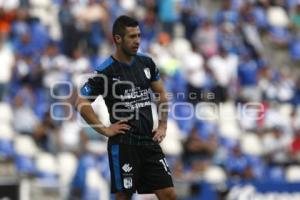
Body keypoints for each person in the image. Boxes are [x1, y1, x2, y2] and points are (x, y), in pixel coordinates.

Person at [76, 15, 176, 200]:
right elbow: (81, 102)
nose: (137, 41)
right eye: (132, 37)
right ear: (117, 39)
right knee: (124, 196)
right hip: (124, 144)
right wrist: (104, 129)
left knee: (169, 194)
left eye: (138, 35)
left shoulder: (147, 63)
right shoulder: (105, 71)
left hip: (148, 140)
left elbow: (161, 94)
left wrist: (162, 125)